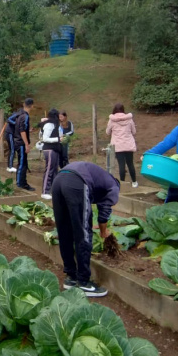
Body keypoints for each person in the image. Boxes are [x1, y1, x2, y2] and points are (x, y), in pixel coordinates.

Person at [52, 161, 119, 297]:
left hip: (58, 180)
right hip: (76, 182)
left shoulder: (100, 178)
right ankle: (84, 282)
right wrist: (103, 232)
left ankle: (71, 277)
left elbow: (99, 205)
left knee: (64, 231)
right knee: (83, 234)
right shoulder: (114, 186)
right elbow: (104, 211)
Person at [105, 104, 138, 187]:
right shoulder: (129, 119)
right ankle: (134, 182)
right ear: (123, 110)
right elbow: (134, 132)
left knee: (121, 165)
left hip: (118, 145)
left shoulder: (112, 120)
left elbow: (108, 132)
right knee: (130, 164)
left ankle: (122, 183)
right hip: (128, 144)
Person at [39, 108, 63, 200]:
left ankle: (55, 191)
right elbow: (44, 138)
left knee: (54, 171)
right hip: (49, 150)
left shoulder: (54, 125)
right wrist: (57, 139)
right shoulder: (49, 125)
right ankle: (45, 191)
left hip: (55, 149)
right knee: (49, 170)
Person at [11, 98, 35, 191]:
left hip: (17, 141)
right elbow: (22, 131)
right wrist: (26, 144)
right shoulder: (25, 116)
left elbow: (20, 129)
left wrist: (28, 130)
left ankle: (22, 182)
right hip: (21, 143)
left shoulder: (19, 115)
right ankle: (20, 184)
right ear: (31, 105)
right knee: (22, 163)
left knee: (23, 163)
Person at [5, 99, 33, 173]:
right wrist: (16, 124)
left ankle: (23, 166)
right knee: (12, 149)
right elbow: (9, 119)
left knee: (14, 150)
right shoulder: (19, 113)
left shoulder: (23, 115)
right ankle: (9, 166)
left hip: (15, 132)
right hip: (10, 132)